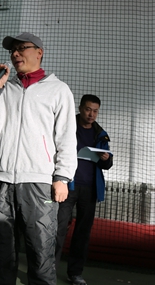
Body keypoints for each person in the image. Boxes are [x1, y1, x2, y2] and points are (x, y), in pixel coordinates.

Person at [0, 32, 77, 285]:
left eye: (22, 48)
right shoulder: (4, 88)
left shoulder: (58, 90)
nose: (15, 54)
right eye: (13, 50)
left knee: (40, 252)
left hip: (39, 183)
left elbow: (66, 137)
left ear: (39, 52)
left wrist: (63, 177)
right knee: (1, 253)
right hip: (2, 181)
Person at [55, 94, 113, 285]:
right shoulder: (67, 127)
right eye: (88, 109)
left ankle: (75, 274)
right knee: (58, 229)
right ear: (80, 108)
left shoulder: (100, 134)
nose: (91, 114)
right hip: (66, 186)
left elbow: (107, 165)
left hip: (89, 190)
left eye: (95, 111)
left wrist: (106, 159)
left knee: (82, 233)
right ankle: (48, 271)